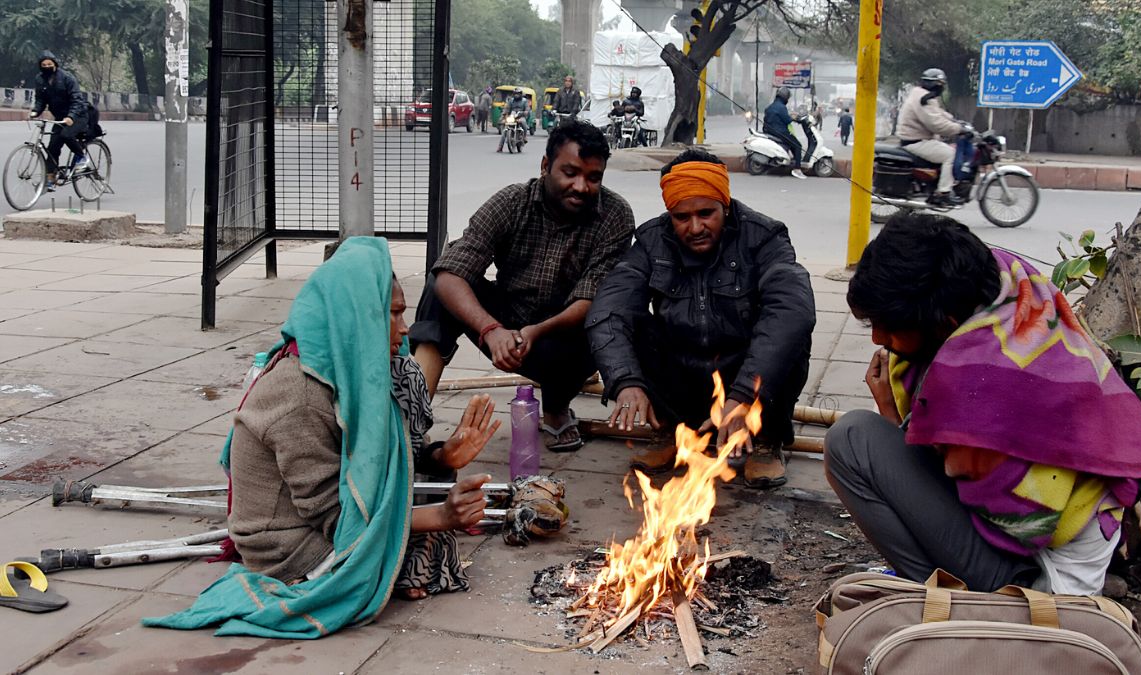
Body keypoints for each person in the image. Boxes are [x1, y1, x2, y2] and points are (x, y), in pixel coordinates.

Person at [145, 237, 501, 637]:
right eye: (394, 315)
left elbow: (381, 462)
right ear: (356, 318)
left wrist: (442, 457)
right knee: (424, 553)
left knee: (428, 543)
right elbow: (335, 517)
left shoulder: (356, 370)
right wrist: (441, 516)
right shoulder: (301, 396)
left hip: (320, 517)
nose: (404, 331)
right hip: (286, 546)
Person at [824, 214, 1141, 595]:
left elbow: (945, 487)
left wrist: (888, 410)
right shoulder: (1009, 282)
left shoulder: (974, 389)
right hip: (1075, 534)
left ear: (944, 321)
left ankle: (952, 600)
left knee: (852, 441)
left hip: (1035, 575)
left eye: (887, 324)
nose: (877, 338)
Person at [587, 149, 816, 488]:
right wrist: (625, 381)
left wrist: (741, 397)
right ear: (670, 214)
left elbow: (793, 309)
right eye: (682, 217)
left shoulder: (763, 236)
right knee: (630, 322)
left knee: (789, 330)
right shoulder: (652, 242)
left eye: (706, 213)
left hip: (746, 378)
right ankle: (668, 430)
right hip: (684, 374)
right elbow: (608, 308)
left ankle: (766, 439)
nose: (695, 227)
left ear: (725, 204)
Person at [411, 120, 635, 453]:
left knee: (605, 318)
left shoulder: (615, 215)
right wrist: (490, 329)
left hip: (565, 332)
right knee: (439, 285)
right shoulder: (511, 202)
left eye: (593, 178)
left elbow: (591, 298)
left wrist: (536, 331)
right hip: (505, 322)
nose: (581, 186)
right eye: (569, 172)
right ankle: (412, 419)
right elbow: (451, 273)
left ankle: (557, 408)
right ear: (545, 166)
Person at [896, 68, 968, 207]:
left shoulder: (922, 95)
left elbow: (938, 114)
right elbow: (936, 124)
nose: (941, 87)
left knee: (946, 150)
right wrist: (958, 129)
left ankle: (936, 187)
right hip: (916, 141)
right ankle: (943, 193)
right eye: (940, 84)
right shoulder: (924, 99)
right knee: (950, 155)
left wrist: (955, 121)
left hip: (918, 139)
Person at [30, 51, 88, 191]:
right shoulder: (40, 79)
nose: (47, 67)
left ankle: (82, 157)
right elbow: (41, 99)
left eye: (49, 64)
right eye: (44, 65)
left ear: (55, 64)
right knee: (52, 148)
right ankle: (50, 179)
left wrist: (71, 116)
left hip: (78, 116)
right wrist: (35, 111)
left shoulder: (67, 78)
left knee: (66, 135)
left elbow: (77, 99)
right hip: (60, 118)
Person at [762, 87, 808, 179]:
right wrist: (796, 119)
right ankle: (797, 169)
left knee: (792, 144)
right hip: (780, 131)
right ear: (785, 97)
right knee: (798, 145)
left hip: (769, 130)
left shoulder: (771, 106)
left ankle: (793, 161)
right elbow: (787, 120)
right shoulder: (781, 107)